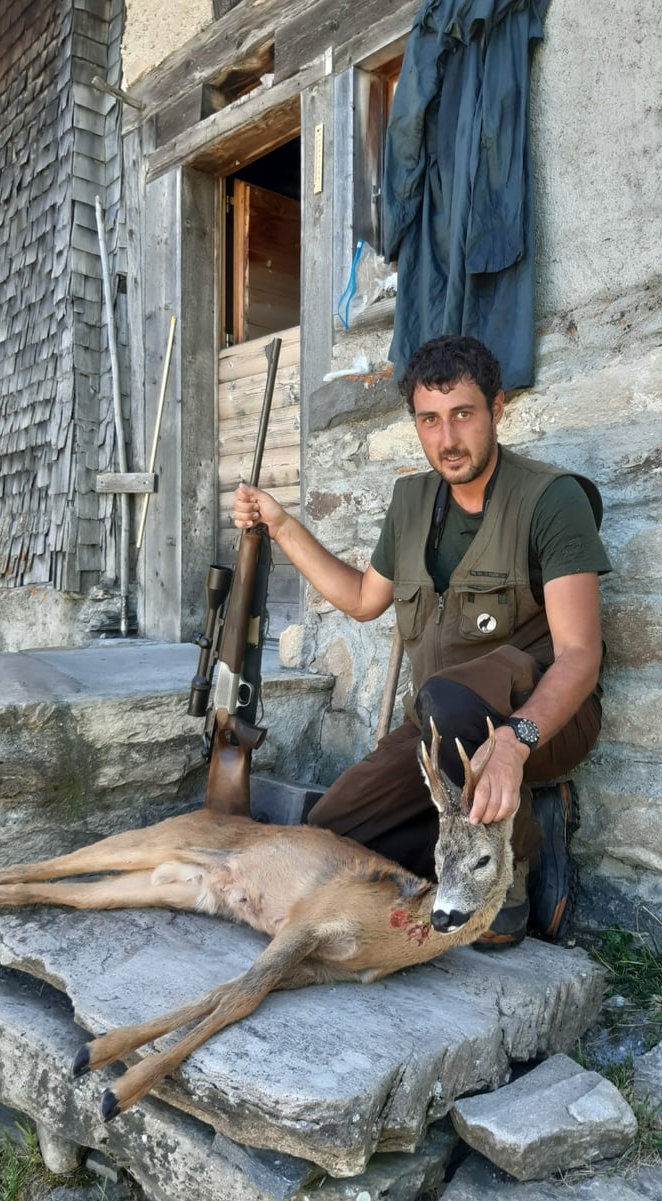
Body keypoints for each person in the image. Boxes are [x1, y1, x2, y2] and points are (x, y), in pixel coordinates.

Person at [234, 334, 611, 948]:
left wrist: (517, 745)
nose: (447, 438)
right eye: (429, 420)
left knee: (457, 700)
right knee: (336, 832)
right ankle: (489, 836)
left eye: (463, 414)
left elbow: (580, 656)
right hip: (441, 729)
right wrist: (282, 525)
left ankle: (513, 874)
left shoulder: (551, 500)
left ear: (497, 407)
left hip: (538, 721)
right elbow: (362, 599)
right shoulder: (411, 504)